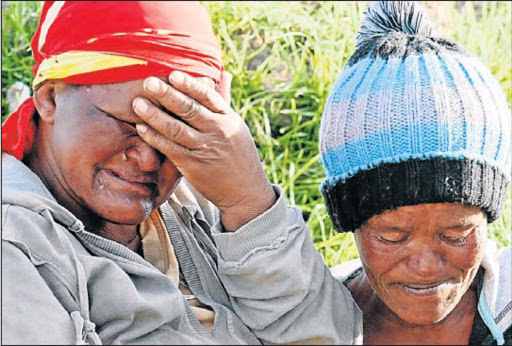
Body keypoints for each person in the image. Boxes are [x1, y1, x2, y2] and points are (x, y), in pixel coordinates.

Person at [1, 1, 360, 345]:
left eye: (175, 129)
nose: (148, 160)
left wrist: (249, 203)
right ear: (50, 98)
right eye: (129, 123)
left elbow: (330, 336)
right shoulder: (16, 247)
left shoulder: (198, 189)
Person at [317, 1, 511, 345]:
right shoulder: (302, 317)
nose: (425, 267)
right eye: (392, 236)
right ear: (350, 219)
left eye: (457, 234)